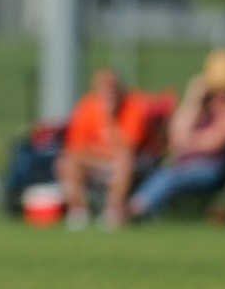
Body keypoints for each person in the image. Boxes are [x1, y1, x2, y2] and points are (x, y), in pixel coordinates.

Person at [128, 49, 225, 221]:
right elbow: (176, 132)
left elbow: (211, 143)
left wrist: (185, 140)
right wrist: (194, 100)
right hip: (182, 165)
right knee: (160, 171)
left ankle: (135, 211)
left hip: (211, 170)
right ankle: (132, 208)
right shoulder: (202, 108)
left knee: (169, 177)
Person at [55, 67, 153, 229]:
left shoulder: (133, 107)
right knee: (67, 162)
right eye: (103, 89)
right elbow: (77, 146)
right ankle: (79, 211)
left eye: (112, 88)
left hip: (125, 164)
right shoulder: (87, 107)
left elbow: (128, 148)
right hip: (95, 161)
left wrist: (110, 119)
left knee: (124, 161)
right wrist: (100, 152)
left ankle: (113, 211)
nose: (108, 94)